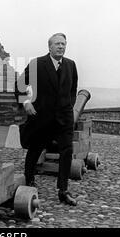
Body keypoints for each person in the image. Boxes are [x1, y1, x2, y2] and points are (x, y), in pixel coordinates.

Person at [15, 33, 78, 206]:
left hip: (64, 118)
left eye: (64, 44)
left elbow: (73, 90)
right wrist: (26, 102)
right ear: (49, 47)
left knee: (66, 150)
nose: (61, 47)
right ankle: (29, 179)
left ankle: (63, 190)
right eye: (57, 44)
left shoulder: (71, 65)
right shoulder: (37, 64)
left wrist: (68, 106)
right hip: (42, 116)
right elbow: (20, 84)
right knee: (35, 148)